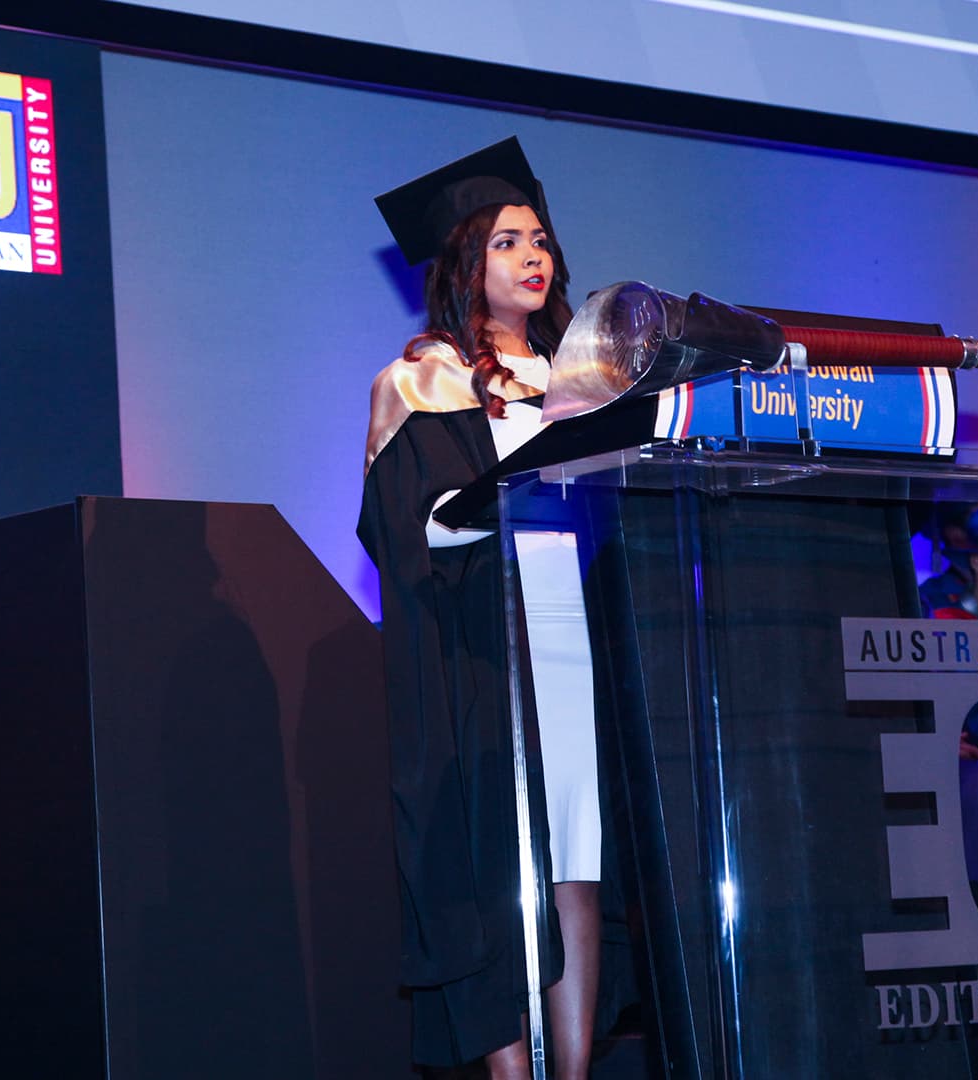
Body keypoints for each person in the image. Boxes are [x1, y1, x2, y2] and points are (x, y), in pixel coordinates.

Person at [360, 137, 604, 1078]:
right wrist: (497, 499)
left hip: (576, 635)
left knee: (578, 852)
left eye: (539, 238)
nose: (533, 256)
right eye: (507, 241)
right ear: (465, 261)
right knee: (504, 866)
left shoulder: (588, 384)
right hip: (481, 650)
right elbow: (402, 532)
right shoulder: (417, 383)